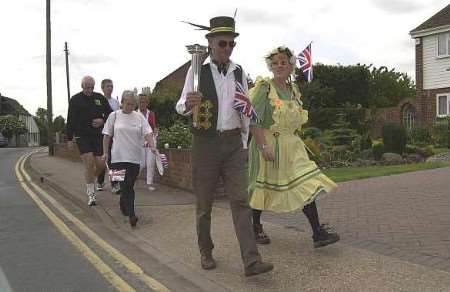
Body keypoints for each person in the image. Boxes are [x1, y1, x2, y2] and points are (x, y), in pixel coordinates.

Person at [176, 16, 273, 277]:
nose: (227, 48)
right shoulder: (197, 72)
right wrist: (188, 104)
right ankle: (205, 251)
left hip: (232, 143)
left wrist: (243, 143)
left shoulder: (239, 71)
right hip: (204, 144)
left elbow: (244, 112)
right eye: (223, 43)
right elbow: (180, 105)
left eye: (232, 44)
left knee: (241, 201)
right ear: (209, 43)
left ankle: (251, 261)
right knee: (204, 204)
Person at [248, 46, 340, 248]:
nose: (279, 66)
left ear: (291, 66)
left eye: (283, 62)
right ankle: (255, 225)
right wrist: (263, 146)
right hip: (271, 143)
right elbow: (253, 120)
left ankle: (318, 233)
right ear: (270, 67)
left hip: (293, 146)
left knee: (306, 184)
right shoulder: (265, 88)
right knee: (264, 186)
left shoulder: (294, 90)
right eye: (275, 63)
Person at [102, 91, 156, 227]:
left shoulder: (139, 117)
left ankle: (126, 207)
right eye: (128, 104)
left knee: (129, 185)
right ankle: (131, 213)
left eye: (133, 104)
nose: (130, 106)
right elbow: (107, 136)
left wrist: (153, 146)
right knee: (123, 185)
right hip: (117, 158)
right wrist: (105, 153)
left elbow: (148, 132)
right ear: (122, 103)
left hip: (134, 158)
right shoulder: (114, 116)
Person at [66, 76, 112, 206]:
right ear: (82, 86)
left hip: (98, 136)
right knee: (89, 161)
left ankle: (91, 179)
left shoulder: (99, 98)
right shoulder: (75, 100)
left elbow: (110, 114)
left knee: (101, 164)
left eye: (92, 87)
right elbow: (70, 120)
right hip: (82, 136)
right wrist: (69, 138)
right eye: (87, 87)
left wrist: (102, 120)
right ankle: (91, 194)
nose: (90, 90)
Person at [97, 79, 121, 193]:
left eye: (111, 86)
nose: (110, 88)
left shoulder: (116, 102)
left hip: (114, 134)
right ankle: (100, 181)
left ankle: (115, 184)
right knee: (103, 158)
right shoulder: (98, 101)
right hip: (102, 135)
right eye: (107, 86)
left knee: (114, 159)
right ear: (102, 88)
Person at [137, 93, 158, 191]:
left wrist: (155, 132)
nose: (142, 104)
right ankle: (131, 179)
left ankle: (149, 183)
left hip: (151, 141)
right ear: (138, 103)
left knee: (150, 163)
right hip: (140, 142)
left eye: (144, 102)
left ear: (147, 103)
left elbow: (154, 126)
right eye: (140, 102)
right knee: (141, 164)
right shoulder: (135, 114)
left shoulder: (151, 114)